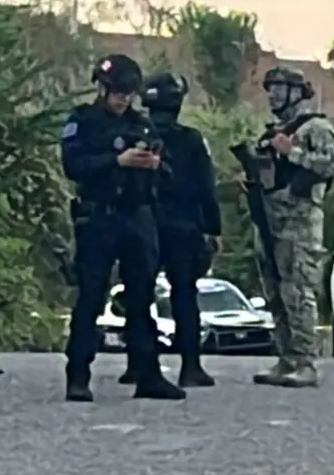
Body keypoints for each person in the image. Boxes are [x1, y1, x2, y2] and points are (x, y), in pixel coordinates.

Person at [60, 54, 184, 402]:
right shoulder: (83, 121)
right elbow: (74, 165)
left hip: (137, 215)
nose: (122, 99)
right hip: (99, 215)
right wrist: (116, 161)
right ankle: (78, 375)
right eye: (117, 92)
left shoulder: (142, 125)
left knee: (142, 296)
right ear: (102, 89)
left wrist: (154, 164)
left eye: (128, 93)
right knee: (91, 294)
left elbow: (170, 173)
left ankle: (148, 374)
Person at [114, 72, 221, 388]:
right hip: (183, 225)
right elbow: (206, 186)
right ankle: (191, 366)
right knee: (184, 294)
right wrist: (212, 228)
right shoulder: (191, 140)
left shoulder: (134, 134)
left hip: (142, 220)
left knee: (139, 292)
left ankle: (138, 363)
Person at [248, 65, 334, 388]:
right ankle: (286, 357)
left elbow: (332, 165)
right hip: (269, 219)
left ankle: (305, 362)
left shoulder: (316, 128)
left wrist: (292, 152)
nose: (273, 95)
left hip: (299, 221)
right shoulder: (273, 131)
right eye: (270, 88)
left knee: (299, 290)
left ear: (296, 93)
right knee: (274, 292)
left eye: (280, 88)